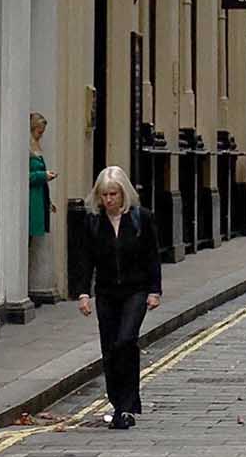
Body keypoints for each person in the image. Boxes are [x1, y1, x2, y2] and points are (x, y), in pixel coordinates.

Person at [69, 167, 162, 430]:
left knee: (126, 341)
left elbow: (151, 257)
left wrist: (155, 290)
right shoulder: (93, 222)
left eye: (114, 194)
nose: (109, 200)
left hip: (136, 290)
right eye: (104, 195)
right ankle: (120, 403)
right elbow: (84, 259)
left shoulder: (141, 219)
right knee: (110, 349)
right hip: (107, 292)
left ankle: (126, 404)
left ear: (124, 194)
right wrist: (84, 293)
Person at [29, 113, 58, 297]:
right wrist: (43, 176)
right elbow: (24, 175)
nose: (41, 135)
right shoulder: (27, 149)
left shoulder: (36, 148)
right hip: (31, 200)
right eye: (39, 131)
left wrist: (49, 202)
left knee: (31, 243)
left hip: (39, 199)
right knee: (27, 241)